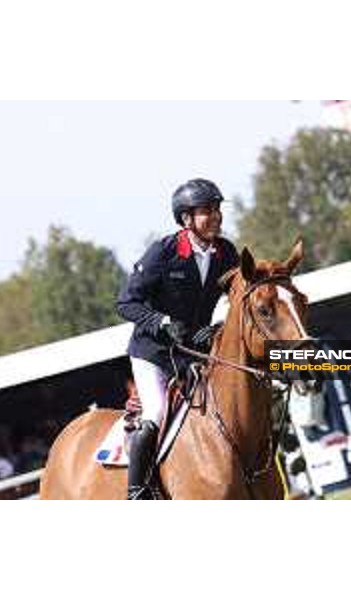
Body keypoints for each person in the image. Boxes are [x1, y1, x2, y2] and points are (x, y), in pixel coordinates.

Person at [117, 178, 239, 499]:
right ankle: (137, 491)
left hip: (195, 352)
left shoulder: (226, 253)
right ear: (186, 219)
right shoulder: (164, 252)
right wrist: (161, 321)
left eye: (217, 209)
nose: (215, 216)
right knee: (156, 412)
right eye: (206, 211)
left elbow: (238, 299)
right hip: (153, 353)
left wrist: (217, 328)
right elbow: (126, 303)